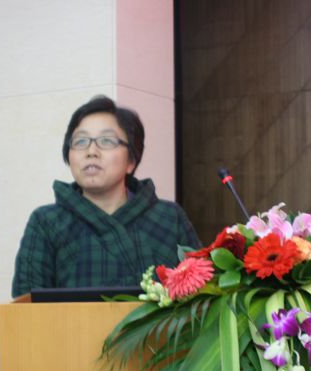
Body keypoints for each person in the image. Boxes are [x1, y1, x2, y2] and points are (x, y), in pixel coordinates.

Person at [12, 95, 200, 297]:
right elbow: (26, 304)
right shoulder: (47, 222)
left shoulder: (169, 218)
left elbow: (201, 291)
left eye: (106, 141)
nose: (91, 151)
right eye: (80, 141)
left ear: (131, 161)